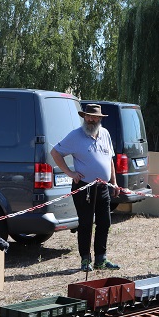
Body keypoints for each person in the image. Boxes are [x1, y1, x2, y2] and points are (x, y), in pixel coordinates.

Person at [51, 103, 120, 272]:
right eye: (88, 116)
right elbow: (55, 153)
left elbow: (110, 160)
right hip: (84, 188)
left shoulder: (105, 134)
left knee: (104, 222)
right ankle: (85, 260)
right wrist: (70, 173)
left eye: (94, 117)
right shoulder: (75, 135)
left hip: (103, 187)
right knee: (86, 224)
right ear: (84, 117)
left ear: (99, 119)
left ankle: (101, 259)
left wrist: (114, 182)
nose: (90, 119)